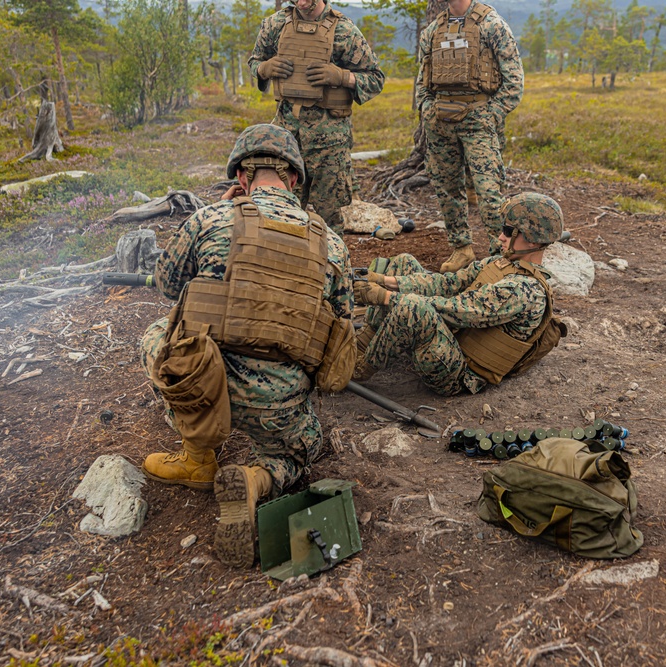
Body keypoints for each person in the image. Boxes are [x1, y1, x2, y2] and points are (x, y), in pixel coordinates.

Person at [139, 124, 354, 567]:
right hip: (279, 401)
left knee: (158, 334)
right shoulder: (332, 243)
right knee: (301, 452)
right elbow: (342, 325)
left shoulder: (208, 220)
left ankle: (198, 455)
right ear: (294, 179)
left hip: (205, 384)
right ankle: (257, 477)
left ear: (241, 177)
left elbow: (167, 284)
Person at [352, 193, 564, 396]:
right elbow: (447, 283)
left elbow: (456, 310)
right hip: (453, 339)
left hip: (459, 372)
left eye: (509, 231)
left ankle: (358, 371)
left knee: (412, 306)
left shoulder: (525, 291)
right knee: (403, 263)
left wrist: (384, 296)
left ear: (533, 241)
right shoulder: (500, 263)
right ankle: (364, 344)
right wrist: (383, 281)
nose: (501, 236)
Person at [249, 0, 385, 236]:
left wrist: (342, 77)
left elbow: (375, 79)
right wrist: (265, 69)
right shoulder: (276, 24)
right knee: (282, 215)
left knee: (329, 220)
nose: (301, 2)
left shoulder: (343, 30)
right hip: (287, 140)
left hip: (329, 144)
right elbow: (255, 61)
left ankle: (333, 270)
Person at [415, 0, 523, 273]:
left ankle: (499, 255)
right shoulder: (432, 31)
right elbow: (422, 81)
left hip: (478, 121)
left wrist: (491, 114)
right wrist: (427, 109)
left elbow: (515, 81)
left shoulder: (492, 25)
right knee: (447, 189)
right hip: (440, 123)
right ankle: (461, 249)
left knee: (489, 193)